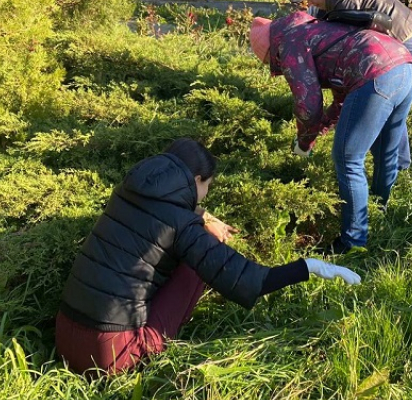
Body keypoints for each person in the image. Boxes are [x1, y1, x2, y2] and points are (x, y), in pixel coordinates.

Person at [56, 138, 360, 375]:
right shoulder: (180, 225)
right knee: (198, 260)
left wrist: (202, 216)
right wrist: (309, 266)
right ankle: (150, 349)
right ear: (198, 179)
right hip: (112, 355)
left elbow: (169, 209)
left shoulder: (126, 191)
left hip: (64, 336)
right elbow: (246, 278)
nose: (204, 196)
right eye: (206, 188)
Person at [249, 11, 412, 254]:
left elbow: (308, 104)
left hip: (375, 71)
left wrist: (304, 143)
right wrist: (320, 129)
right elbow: (342, 100)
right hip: (405, 67)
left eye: (268, 62)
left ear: (269, 52)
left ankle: (353, 242)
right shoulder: (314, 30)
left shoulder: (288, 44)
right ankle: (379, 213)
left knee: (348, 158)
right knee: (386, 152)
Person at [290, 0, 412, 170]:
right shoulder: (330, 0)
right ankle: (394, 165)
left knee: (384, 105)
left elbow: (358, 49)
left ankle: (398, 165)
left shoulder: (341, 2)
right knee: (385, 106)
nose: (307, 1)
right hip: (401, 37)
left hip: (407, 39)